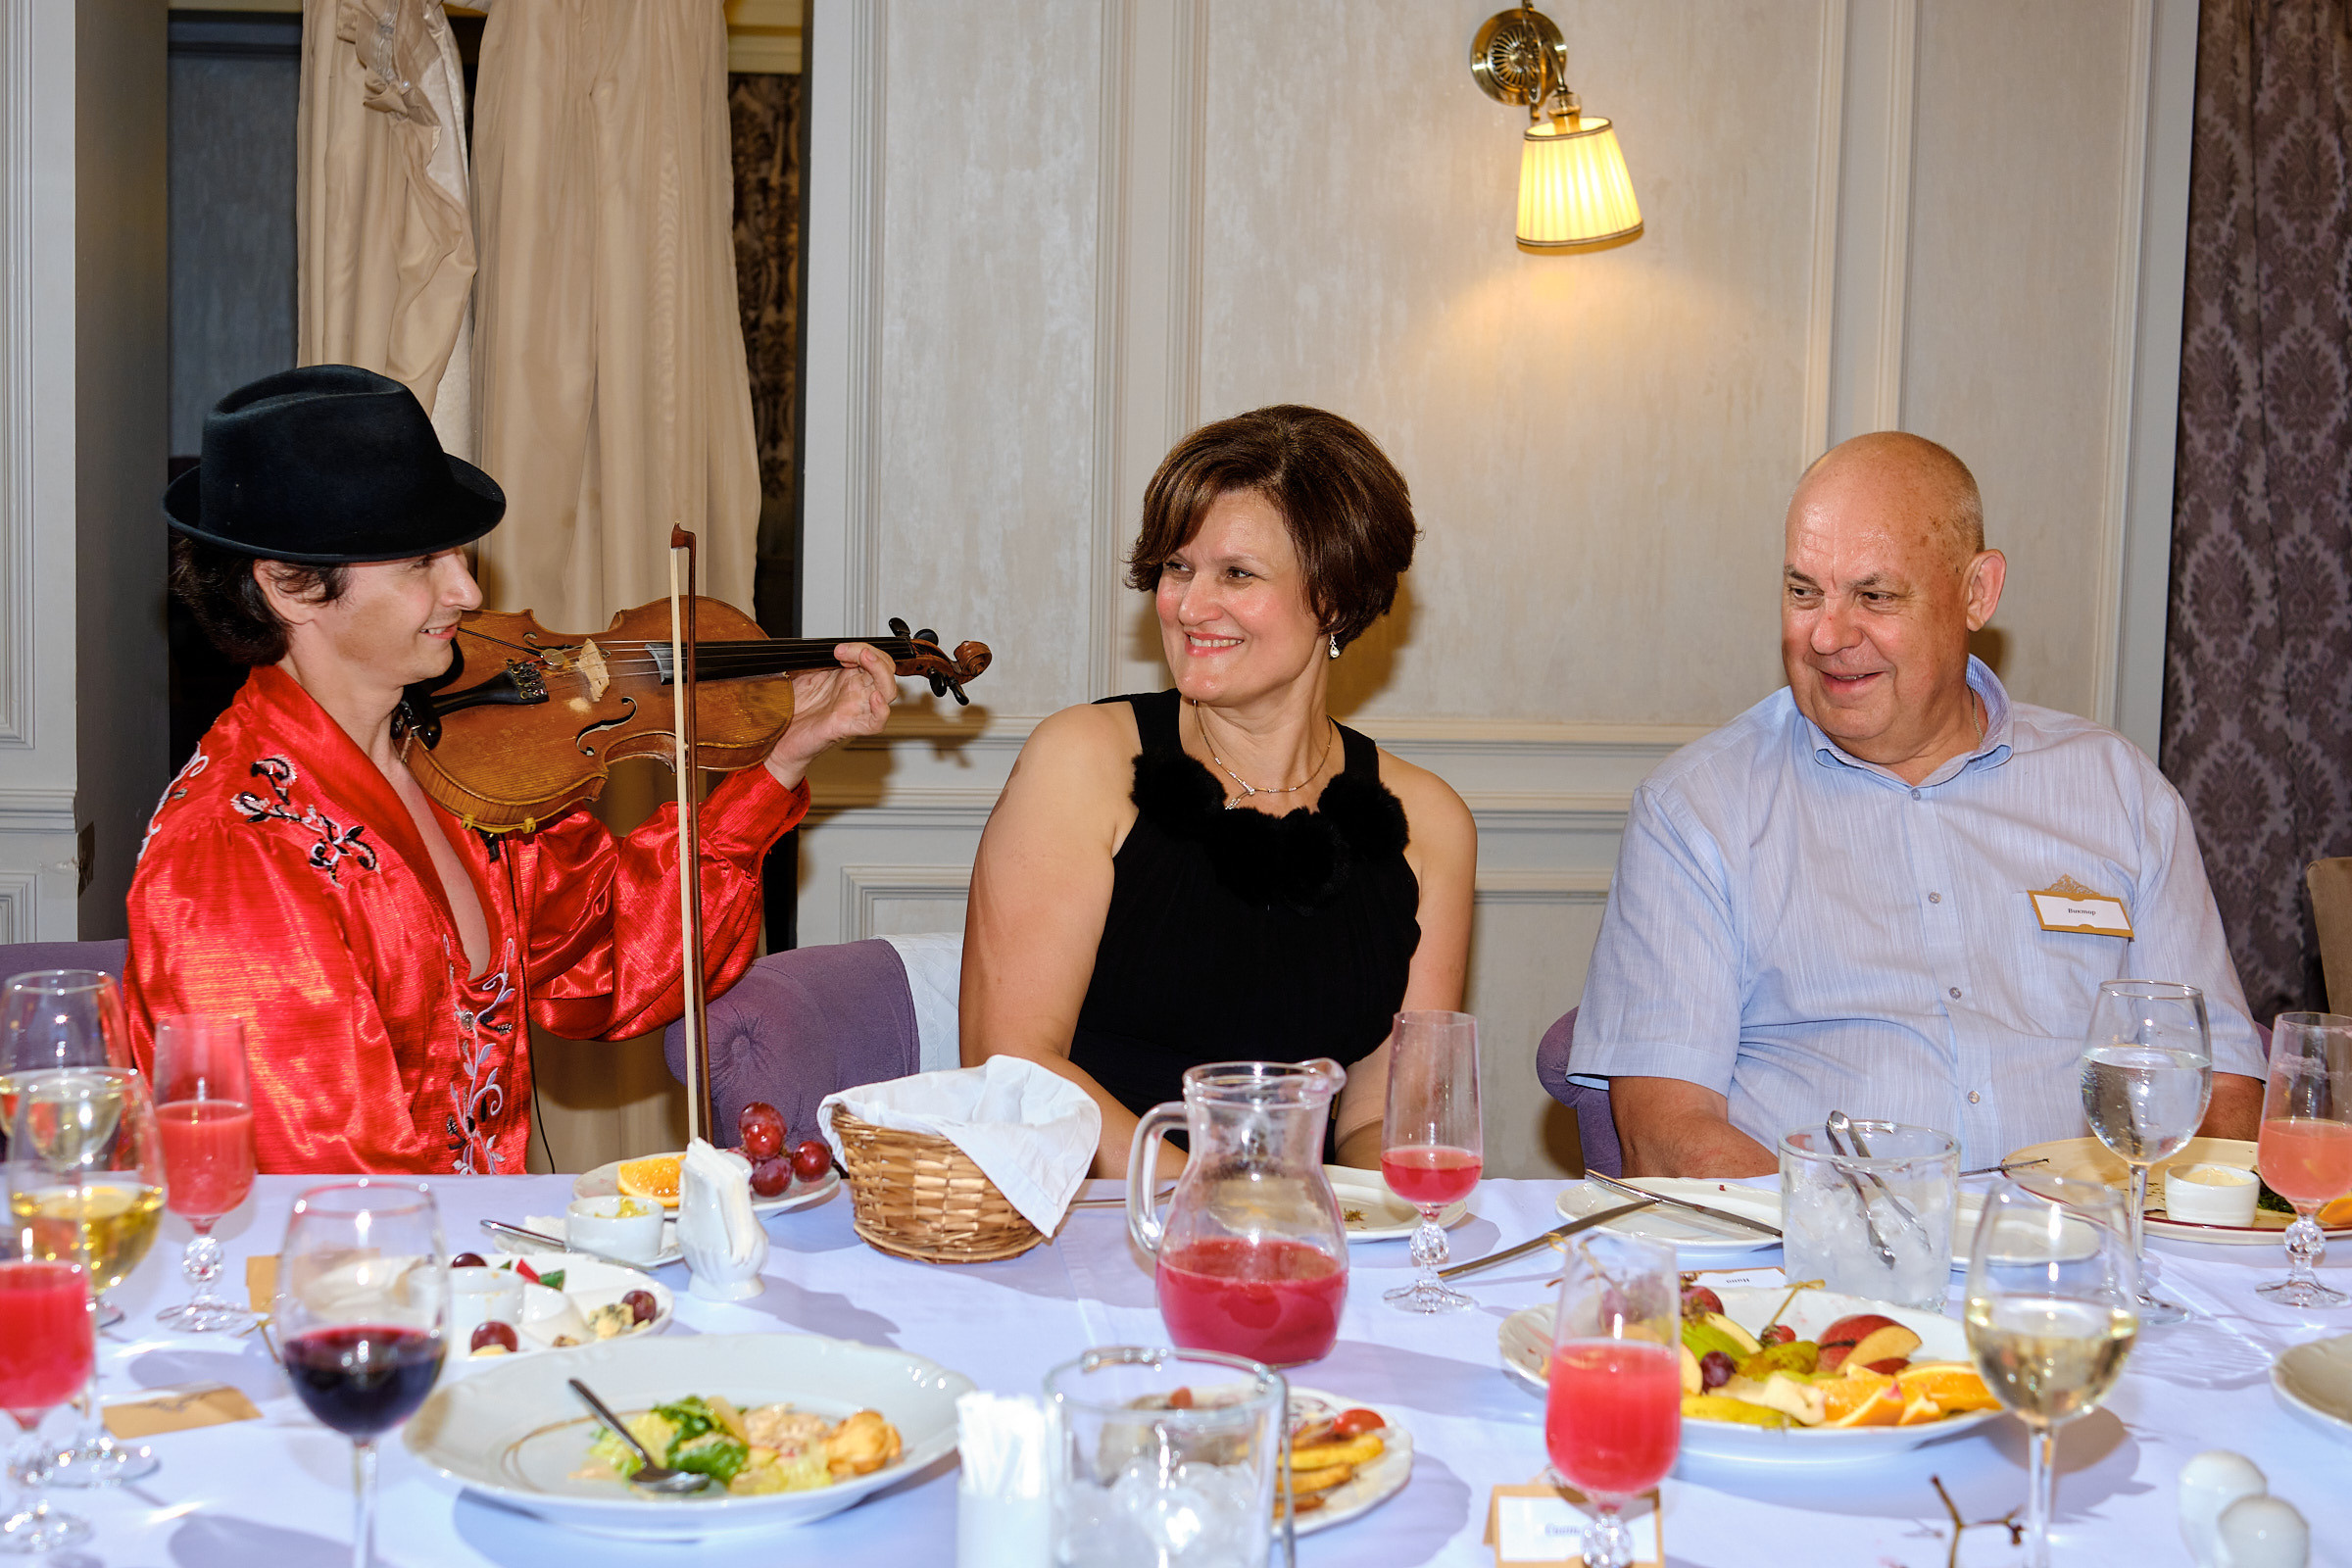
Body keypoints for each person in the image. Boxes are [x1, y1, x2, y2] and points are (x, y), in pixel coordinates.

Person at [126, 366, 898, 1174]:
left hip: (474, 1260)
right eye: (421, 562)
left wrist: (781, 756)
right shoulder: (232, 856)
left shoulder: (457, 763)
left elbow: (610, 953)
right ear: (288, 588)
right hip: (369, 1284)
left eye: (456, 551)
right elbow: (329, 1195)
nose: (465, 588)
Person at [1568, 431, 2265, 1176]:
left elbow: (2219, 1083)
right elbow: (1669, 1133)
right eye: (1804, 592)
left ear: (1977, 593)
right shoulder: (1697, 812)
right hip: (1821, 1267)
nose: (1828, 635)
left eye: (1875, 595)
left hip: (2082, 1260)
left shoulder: (2118, 792)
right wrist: (1883, 1238)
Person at [961, 406, 1476, 1175]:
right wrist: (1222, 1205)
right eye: (1177, 567)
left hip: (1300, 1243)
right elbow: (1015, 1062)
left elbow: (1380, 1117)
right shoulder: (1083, 762)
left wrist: (1351, 1224)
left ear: (1333, 596)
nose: (1189, 607)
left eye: (1237, 573)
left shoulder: (1429, 822)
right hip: (1095, 1230)